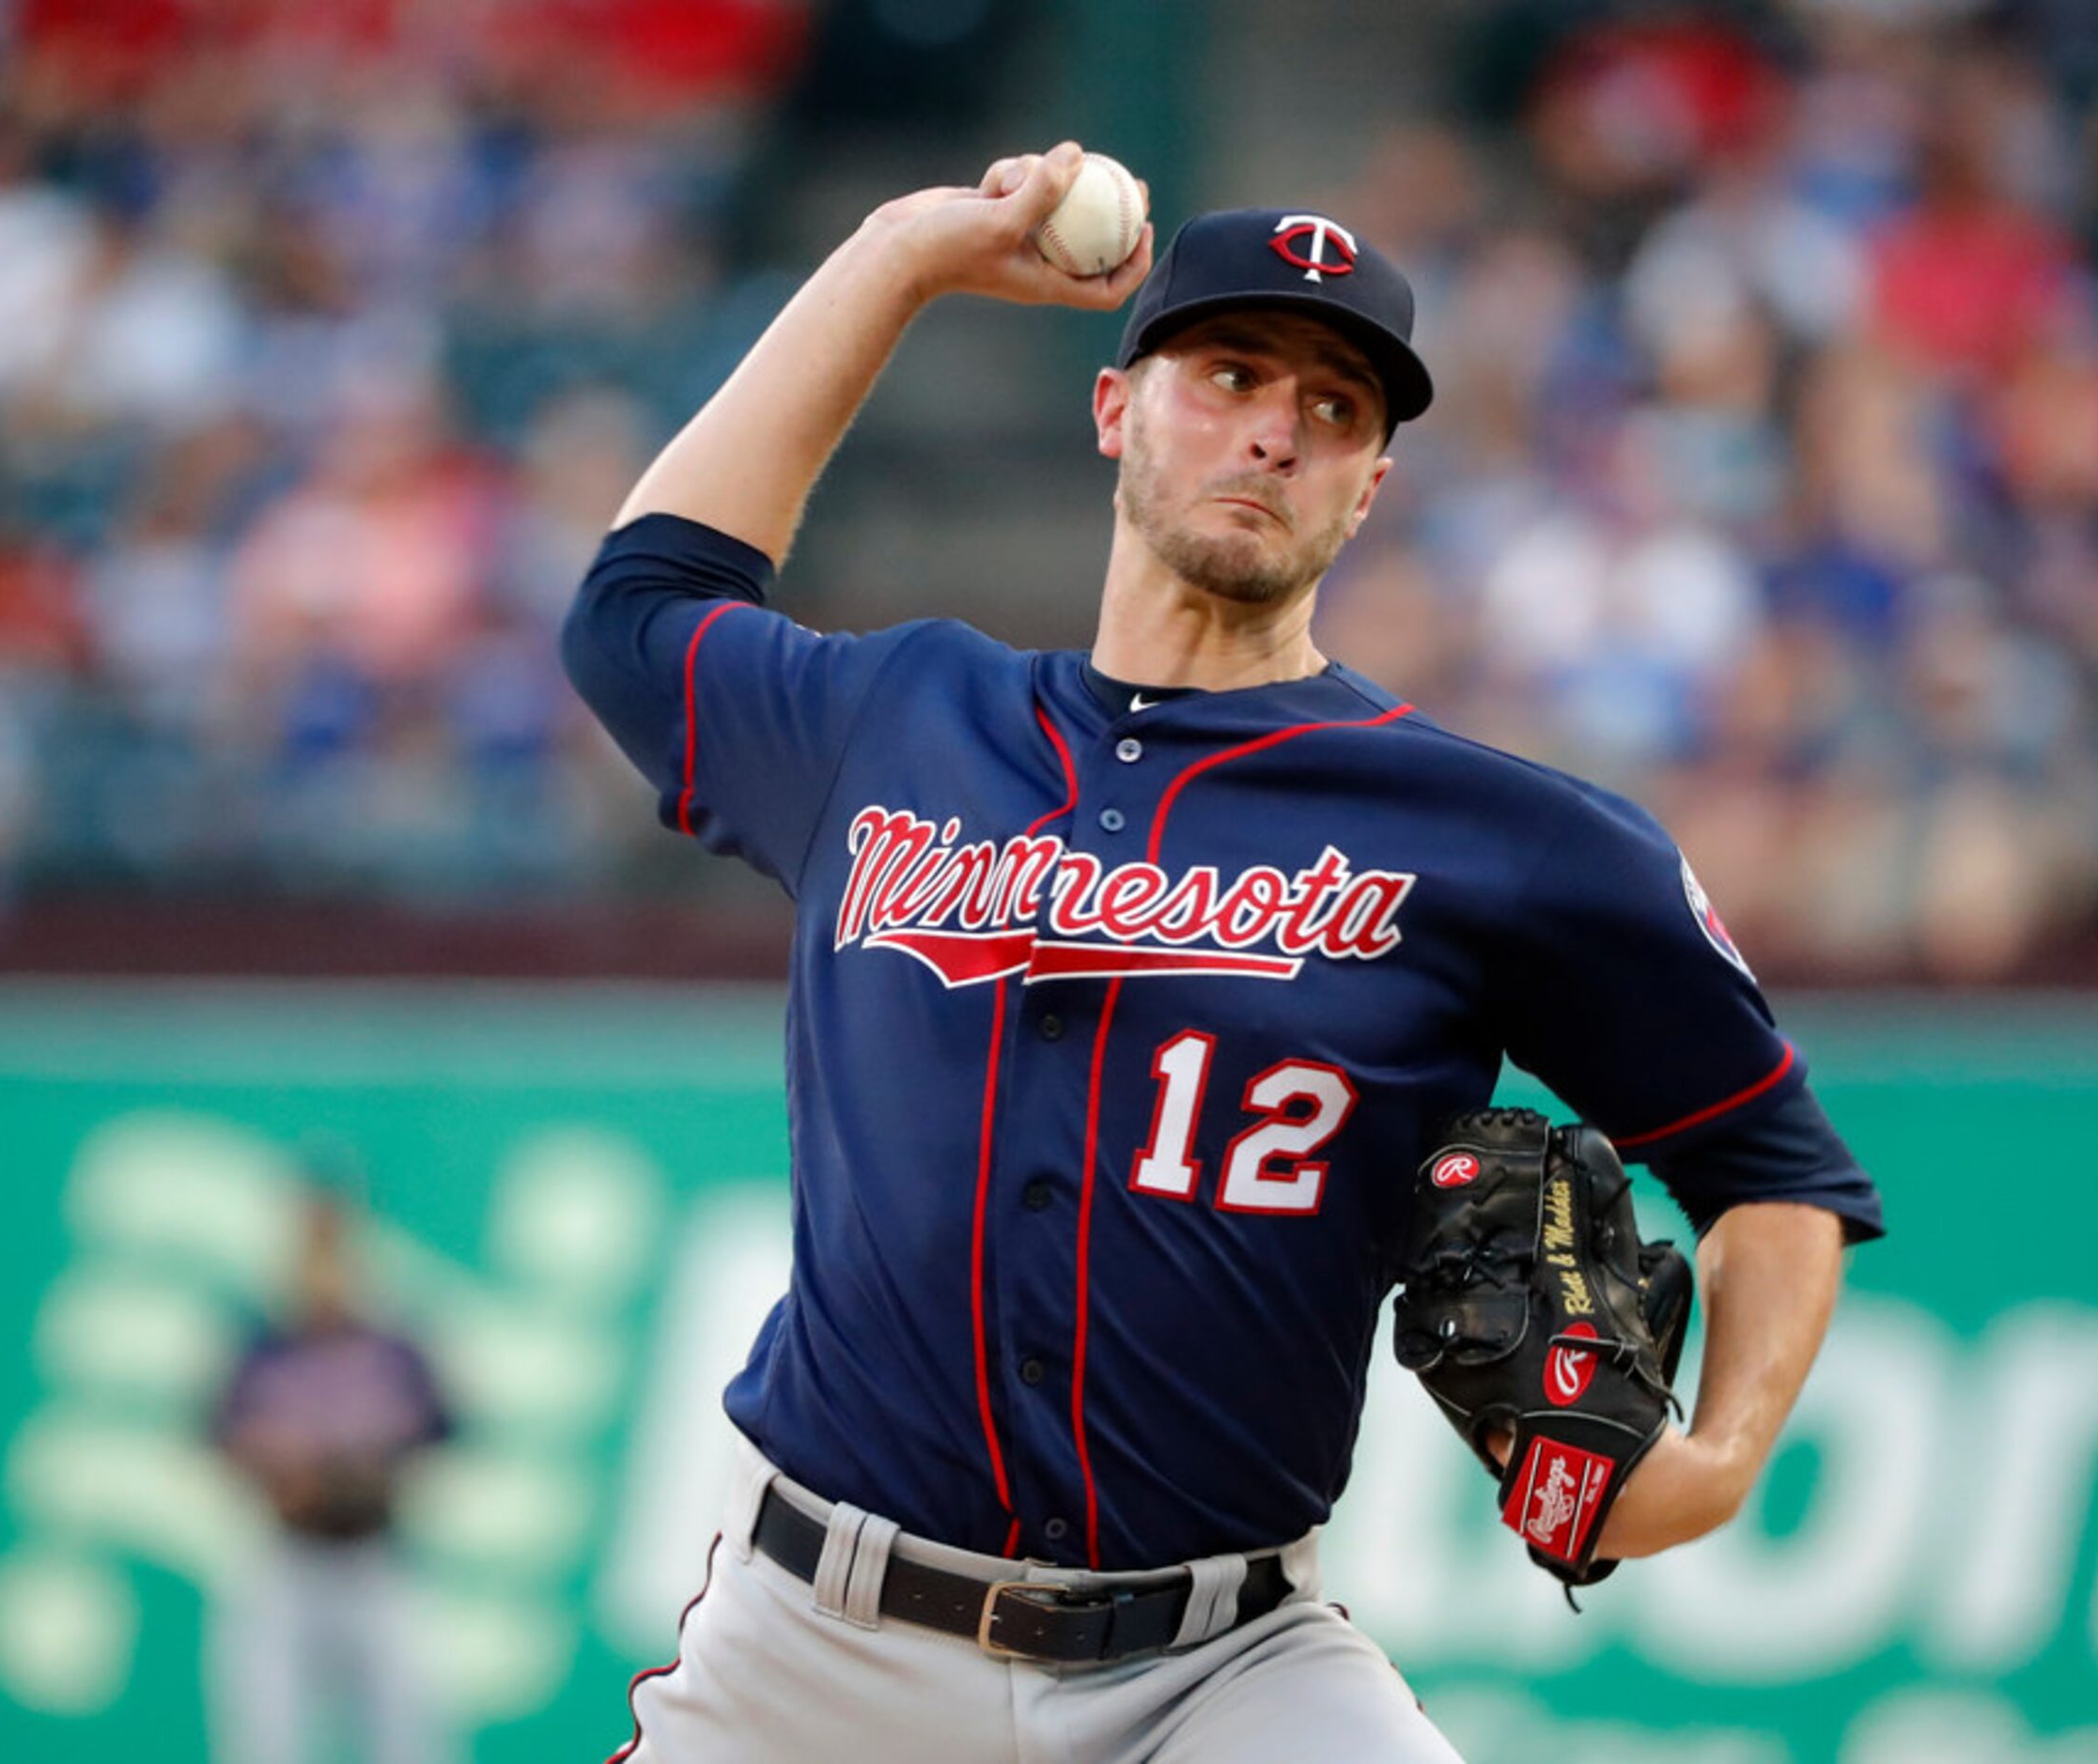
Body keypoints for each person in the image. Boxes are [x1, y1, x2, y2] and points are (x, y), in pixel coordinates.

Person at [563, 141, 1884, 1763]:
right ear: (1117, 408)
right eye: (1230, 371)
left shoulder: (1506, 836)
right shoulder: (892, 721)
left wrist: (1722, 1454)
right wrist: (900, 252)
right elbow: (639, 608)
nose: (1275, 425)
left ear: (1371, 484)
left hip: (1219, 1671)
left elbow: (1773, 1173)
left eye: (1336, 409)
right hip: (811, 1658)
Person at [207, 1155, 456, 1764]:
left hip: (375, 1564)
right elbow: (217, 1439)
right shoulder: (262, 1346)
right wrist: (275, 1474)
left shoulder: (391, 1345)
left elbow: (445, 1435)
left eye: (333, 1237)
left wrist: (370, 1472)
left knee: (411, 1743)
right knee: (264, 1744)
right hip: (284, 1565)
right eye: (311, 1237)